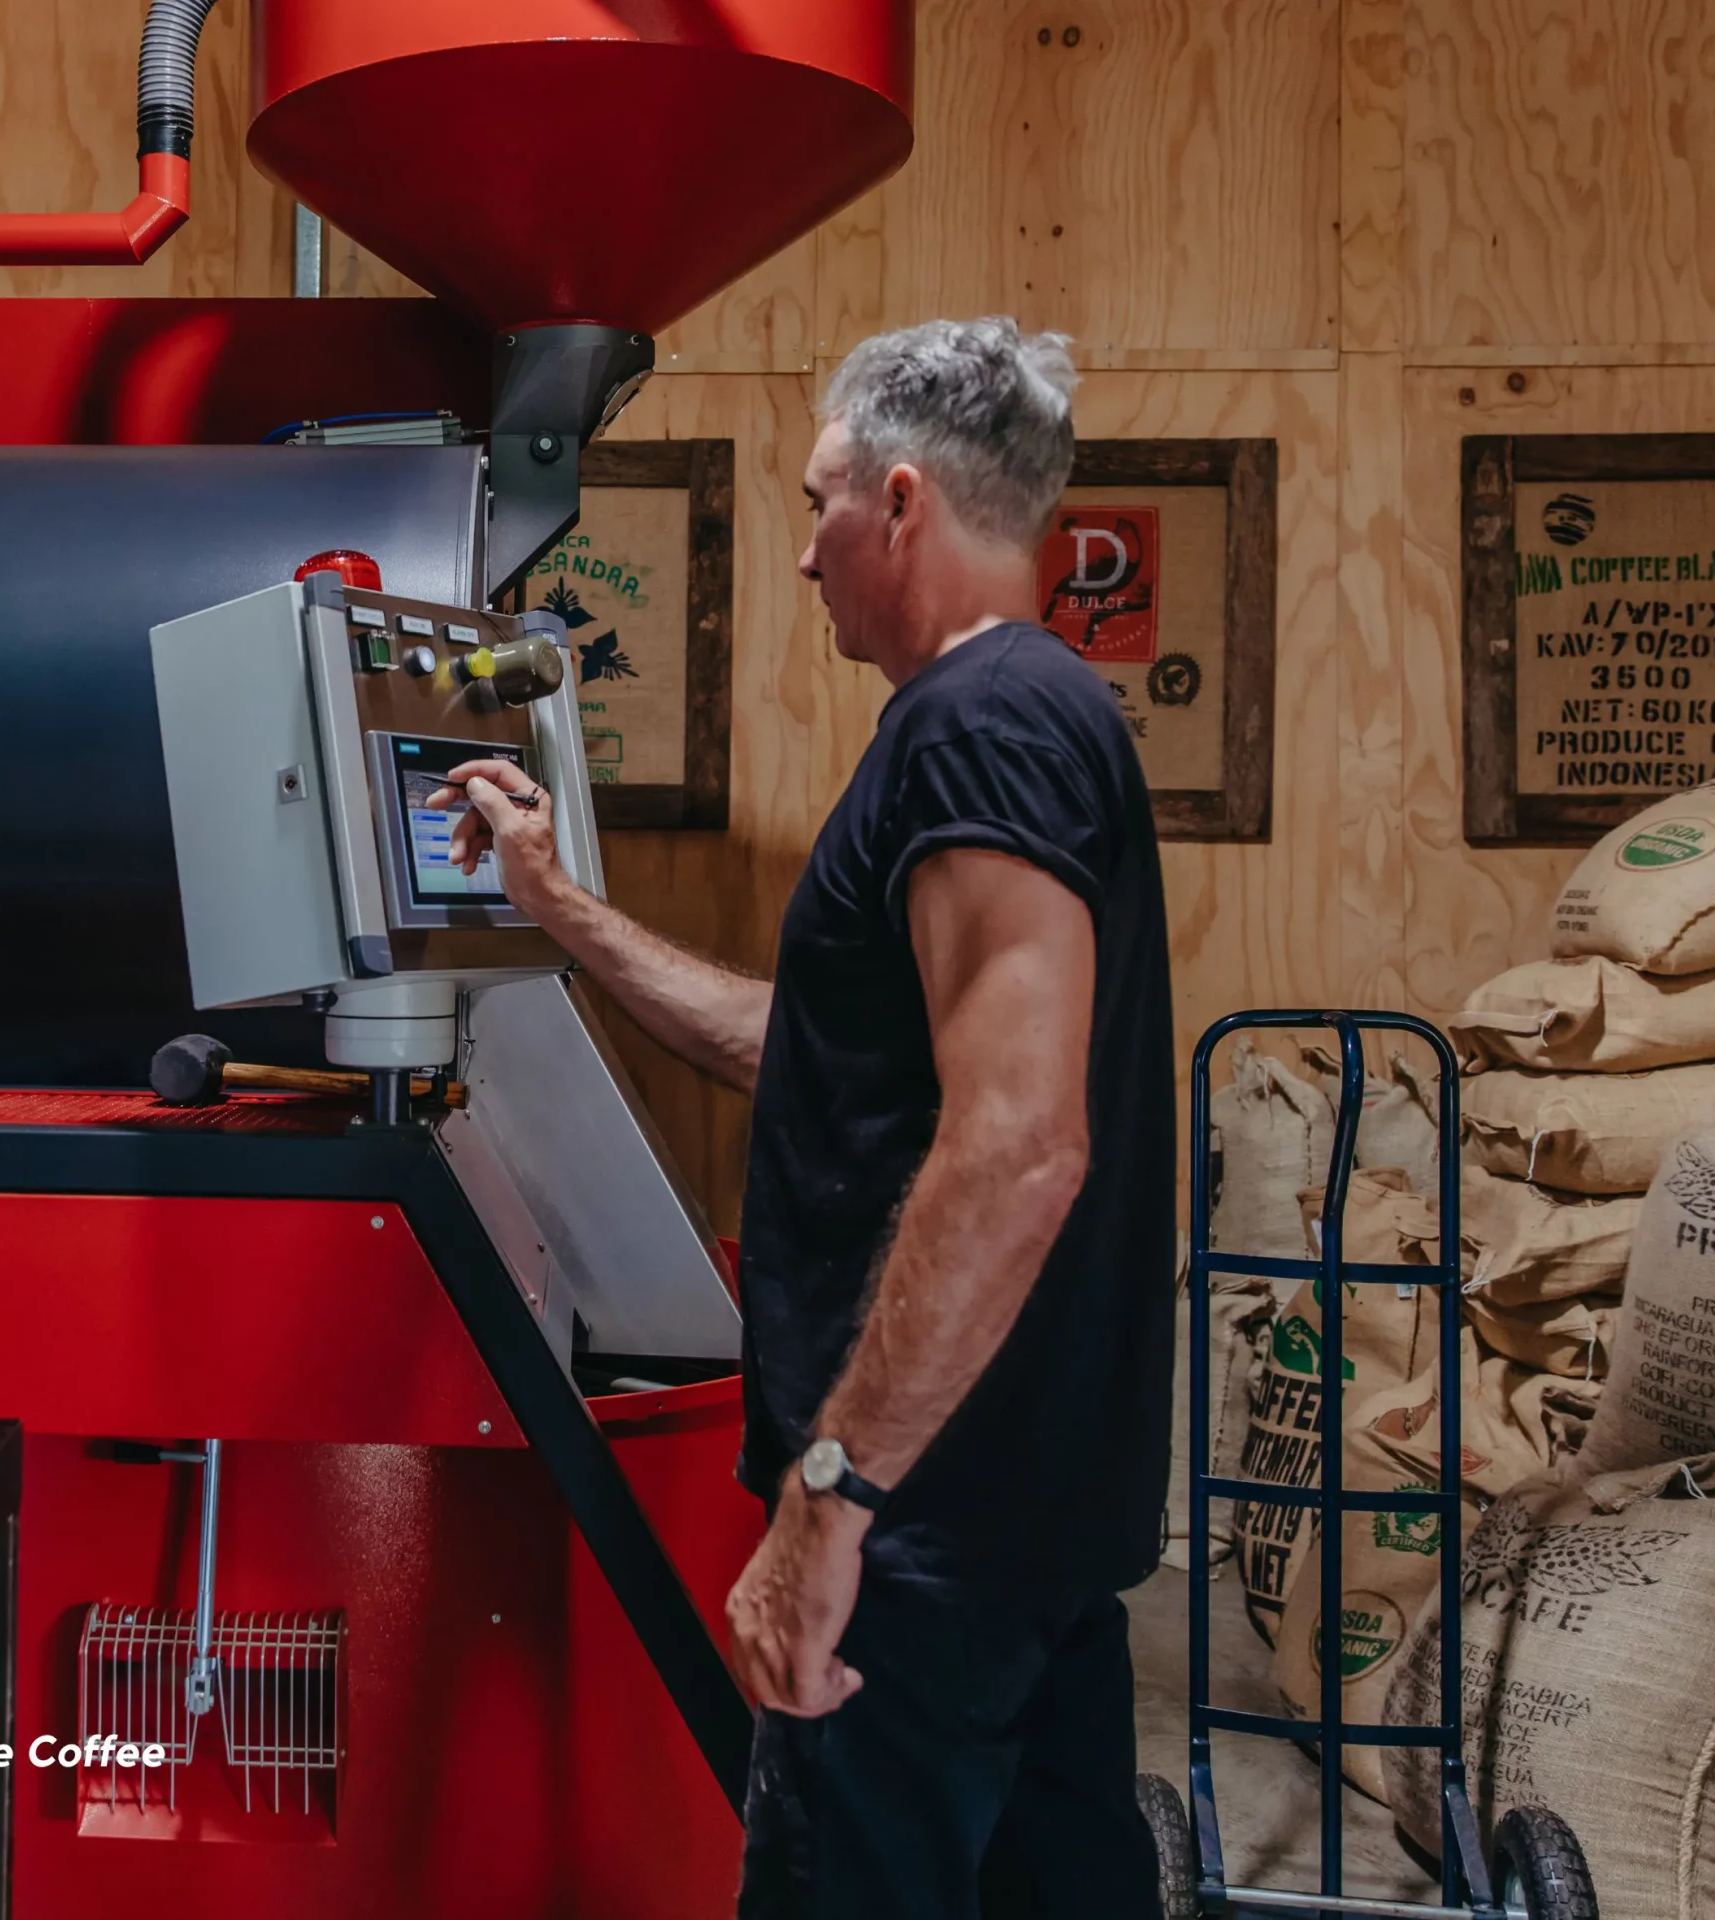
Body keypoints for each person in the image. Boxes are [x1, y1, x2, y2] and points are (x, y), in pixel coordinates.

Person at [428, 317, 1175, 1920]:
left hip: (924, 1541)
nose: (802, 550)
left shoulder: (979, 726)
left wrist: (835, 1497)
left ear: (900, 504)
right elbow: (827, 1056)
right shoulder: (1035, 715)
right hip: (1017, 1528)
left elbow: (1020, 1143)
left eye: (820, 499)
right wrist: (560, 911)